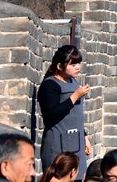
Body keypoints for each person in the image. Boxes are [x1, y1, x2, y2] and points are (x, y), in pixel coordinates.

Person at [38, 45, 90, 179]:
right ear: (60, 66)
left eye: (78, 63)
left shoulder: (73, 82)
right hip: (58, 146)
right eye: (73, 64)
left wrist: (85, 137)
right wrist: (75, 96)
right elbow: (51, 115)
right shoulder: (50, 85)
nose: (77, 67)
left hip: (77, 145)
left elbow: (76, 116)